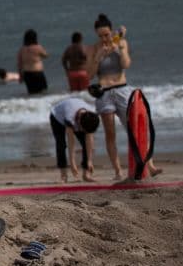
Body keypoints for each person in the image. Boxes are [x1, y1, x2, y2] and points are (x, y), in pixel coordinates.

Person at [88, 13, 161, 180]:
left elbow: (126, 65)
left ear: (111, 31)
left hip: (122, 89)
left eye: (106, 35)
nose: (104, 38)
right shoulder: (94, 49)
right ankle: (118, 170)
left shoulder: (120, 42)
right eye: (100, 36)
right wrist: (98, 58)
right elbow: (89, 75)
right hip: (104, 92)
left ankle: (149, 165)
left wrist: (120, 50)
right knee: (110, 133)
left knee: (134, 128)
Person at [49, 97, 100, 183]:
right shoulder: (70, 118)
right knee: (61, 144)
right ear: (79, 123)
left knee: (85, 142)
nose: (81, 131)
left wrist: (89, 161)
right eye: (82, 130)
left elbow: (89, 141)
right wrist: (72, 163)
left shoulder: (91, 117)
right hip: (57, 117)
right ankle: (63, 175)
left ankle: (86, 174)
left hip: (77, 112)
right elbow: (71, 142)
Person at [16, 29, 48, 94]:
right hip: (37, 73)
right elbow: (46, 55)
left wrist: (20, 76)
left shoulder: (22, 50)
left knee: (31, 93)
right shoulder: (38, 47)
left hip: (27, 74)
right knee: (43, 92)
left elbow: (19, 64)